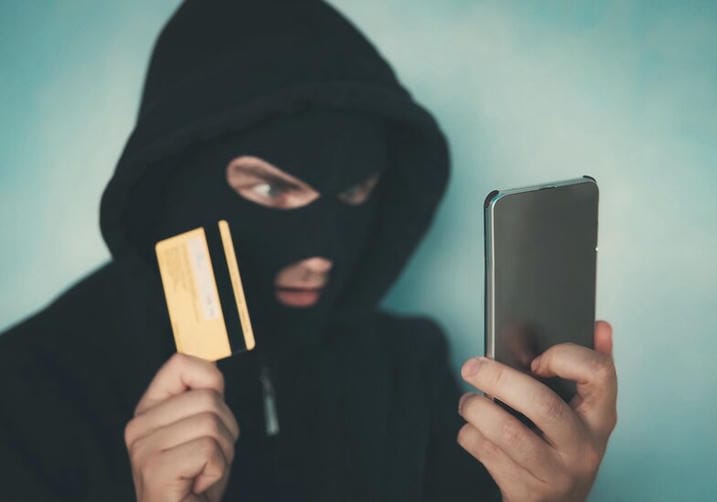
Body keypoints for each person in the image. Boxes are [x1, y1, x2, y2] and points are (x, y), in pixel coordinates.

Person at [0, 1, 618, 501]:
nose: (322, 253)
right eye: (272, 188)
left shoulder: (408, 366)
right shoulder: (27, 390)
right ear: (173, 184)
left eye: (353, 193)